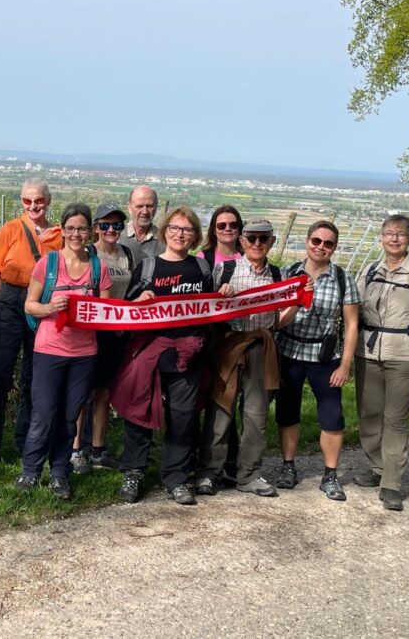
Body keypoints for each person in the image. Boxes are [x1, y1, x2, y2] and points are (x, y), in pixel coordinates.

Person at [112, 205, 212, 505]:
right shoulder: (148, 267)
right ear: (165, 230)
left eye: (187, 230)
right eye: (175, 228)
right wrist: (139, 300)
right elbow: (127, 311)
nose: (180, 234)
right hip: (151, 352)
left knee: (182, 417)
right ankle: (134, 472)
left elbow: (211, 309)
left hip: (188, 356)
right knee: (139, 413)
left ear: (195, 235)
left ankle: (176, 477)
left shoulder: (202, 269)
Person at [17, 203, 112, 499]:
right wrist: (50, 308)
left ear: (90, 231)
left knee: (70, 416)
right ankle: (31, 471)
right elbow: (29, 305)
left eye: (82, 228)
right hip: (49, 350)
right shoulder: (49, 264)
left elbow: (107, 312)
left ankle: (60, 472)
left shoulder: (98, 268)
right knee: (44, 414)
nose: (76, 234)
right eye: (70, 228)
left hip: (84, 354)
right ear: (62, 230)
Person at [353, 215, 409, 511]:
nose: (394, 239)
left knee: (395, 420)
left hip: (405, 356)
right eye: (389, 233)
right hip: (368, 354)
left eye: (401, 234)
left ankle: (391, 483)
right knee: (369, 415)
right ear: (381, 237)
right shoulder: (370, 270)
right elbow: (353, 310)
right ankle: (377, 467)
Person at [196, 218, 283, 498]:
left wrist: (297, 302)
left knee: (256, 415)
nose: (257, 243)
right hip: (229, 346)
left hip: (261, 347)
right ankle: (209, 472)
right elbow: (208, 309)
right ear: (242, 241)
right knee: (220, 410)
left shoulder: (278, 276)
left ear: (271, 242)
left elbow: (281, 320)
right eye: (252, 238)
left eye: (263, 238)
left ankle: (248, 474)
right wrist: (221, 296)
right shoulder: (225, 270)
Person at [275, 221, 360, 501]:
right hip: (288, 352)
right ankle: (288, 467)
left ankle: (330, 475)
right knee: (287, 412)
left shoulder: (343, 279)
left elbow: (351, 325)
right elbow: (276, 318)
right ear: (307, 241)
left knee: (332, 417)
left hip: (325, 357)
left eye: (328, 243)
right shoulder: (287, 273)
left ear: (334, 247)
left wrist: (345, 365)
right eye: (316, 241)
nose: (321, 247)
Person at [0, 178, 62, 464]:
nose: (33, 206)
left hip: (43, 304)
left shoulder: (58, 235)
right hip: (12, 299)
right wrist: (8, 301)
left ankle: (26, 440)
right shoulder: (10, 230)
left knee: (33, 376)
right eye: (27, 200)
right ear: (21, 201)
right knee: (1, 374)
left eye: (39, 200)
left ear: (48, 201)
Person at [70, 203, 142, 474]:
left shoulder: (127, 254)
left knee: (104, 392)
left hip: (117, 333)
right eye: (105, 225)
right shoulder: (89, 254)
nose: (111, 229)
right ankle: (75, 450)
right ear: (95, 229)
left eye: (117, 225)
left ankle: (98, 450)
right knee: (82, 393)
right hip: (91, 332)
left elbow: (130, 292)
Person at [197, 204, 245, 483]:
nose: (228, 229)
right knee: (207, 397)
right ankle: (201, 458)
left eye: (233, 225)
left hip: (236, 337)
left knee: (228, 399)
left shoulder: (248, 257)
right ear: (213, 229)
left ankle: (230, 460)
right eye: (222, 225)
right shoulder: (203, 259)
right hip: (208, 337)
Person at [120, 185, 165, 258]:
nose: (145, 212)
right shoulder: (116, 236)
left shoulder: (164, 240)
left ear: (156, 208)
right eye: (139, 206)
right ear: (129, 207)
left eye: (149, 206)